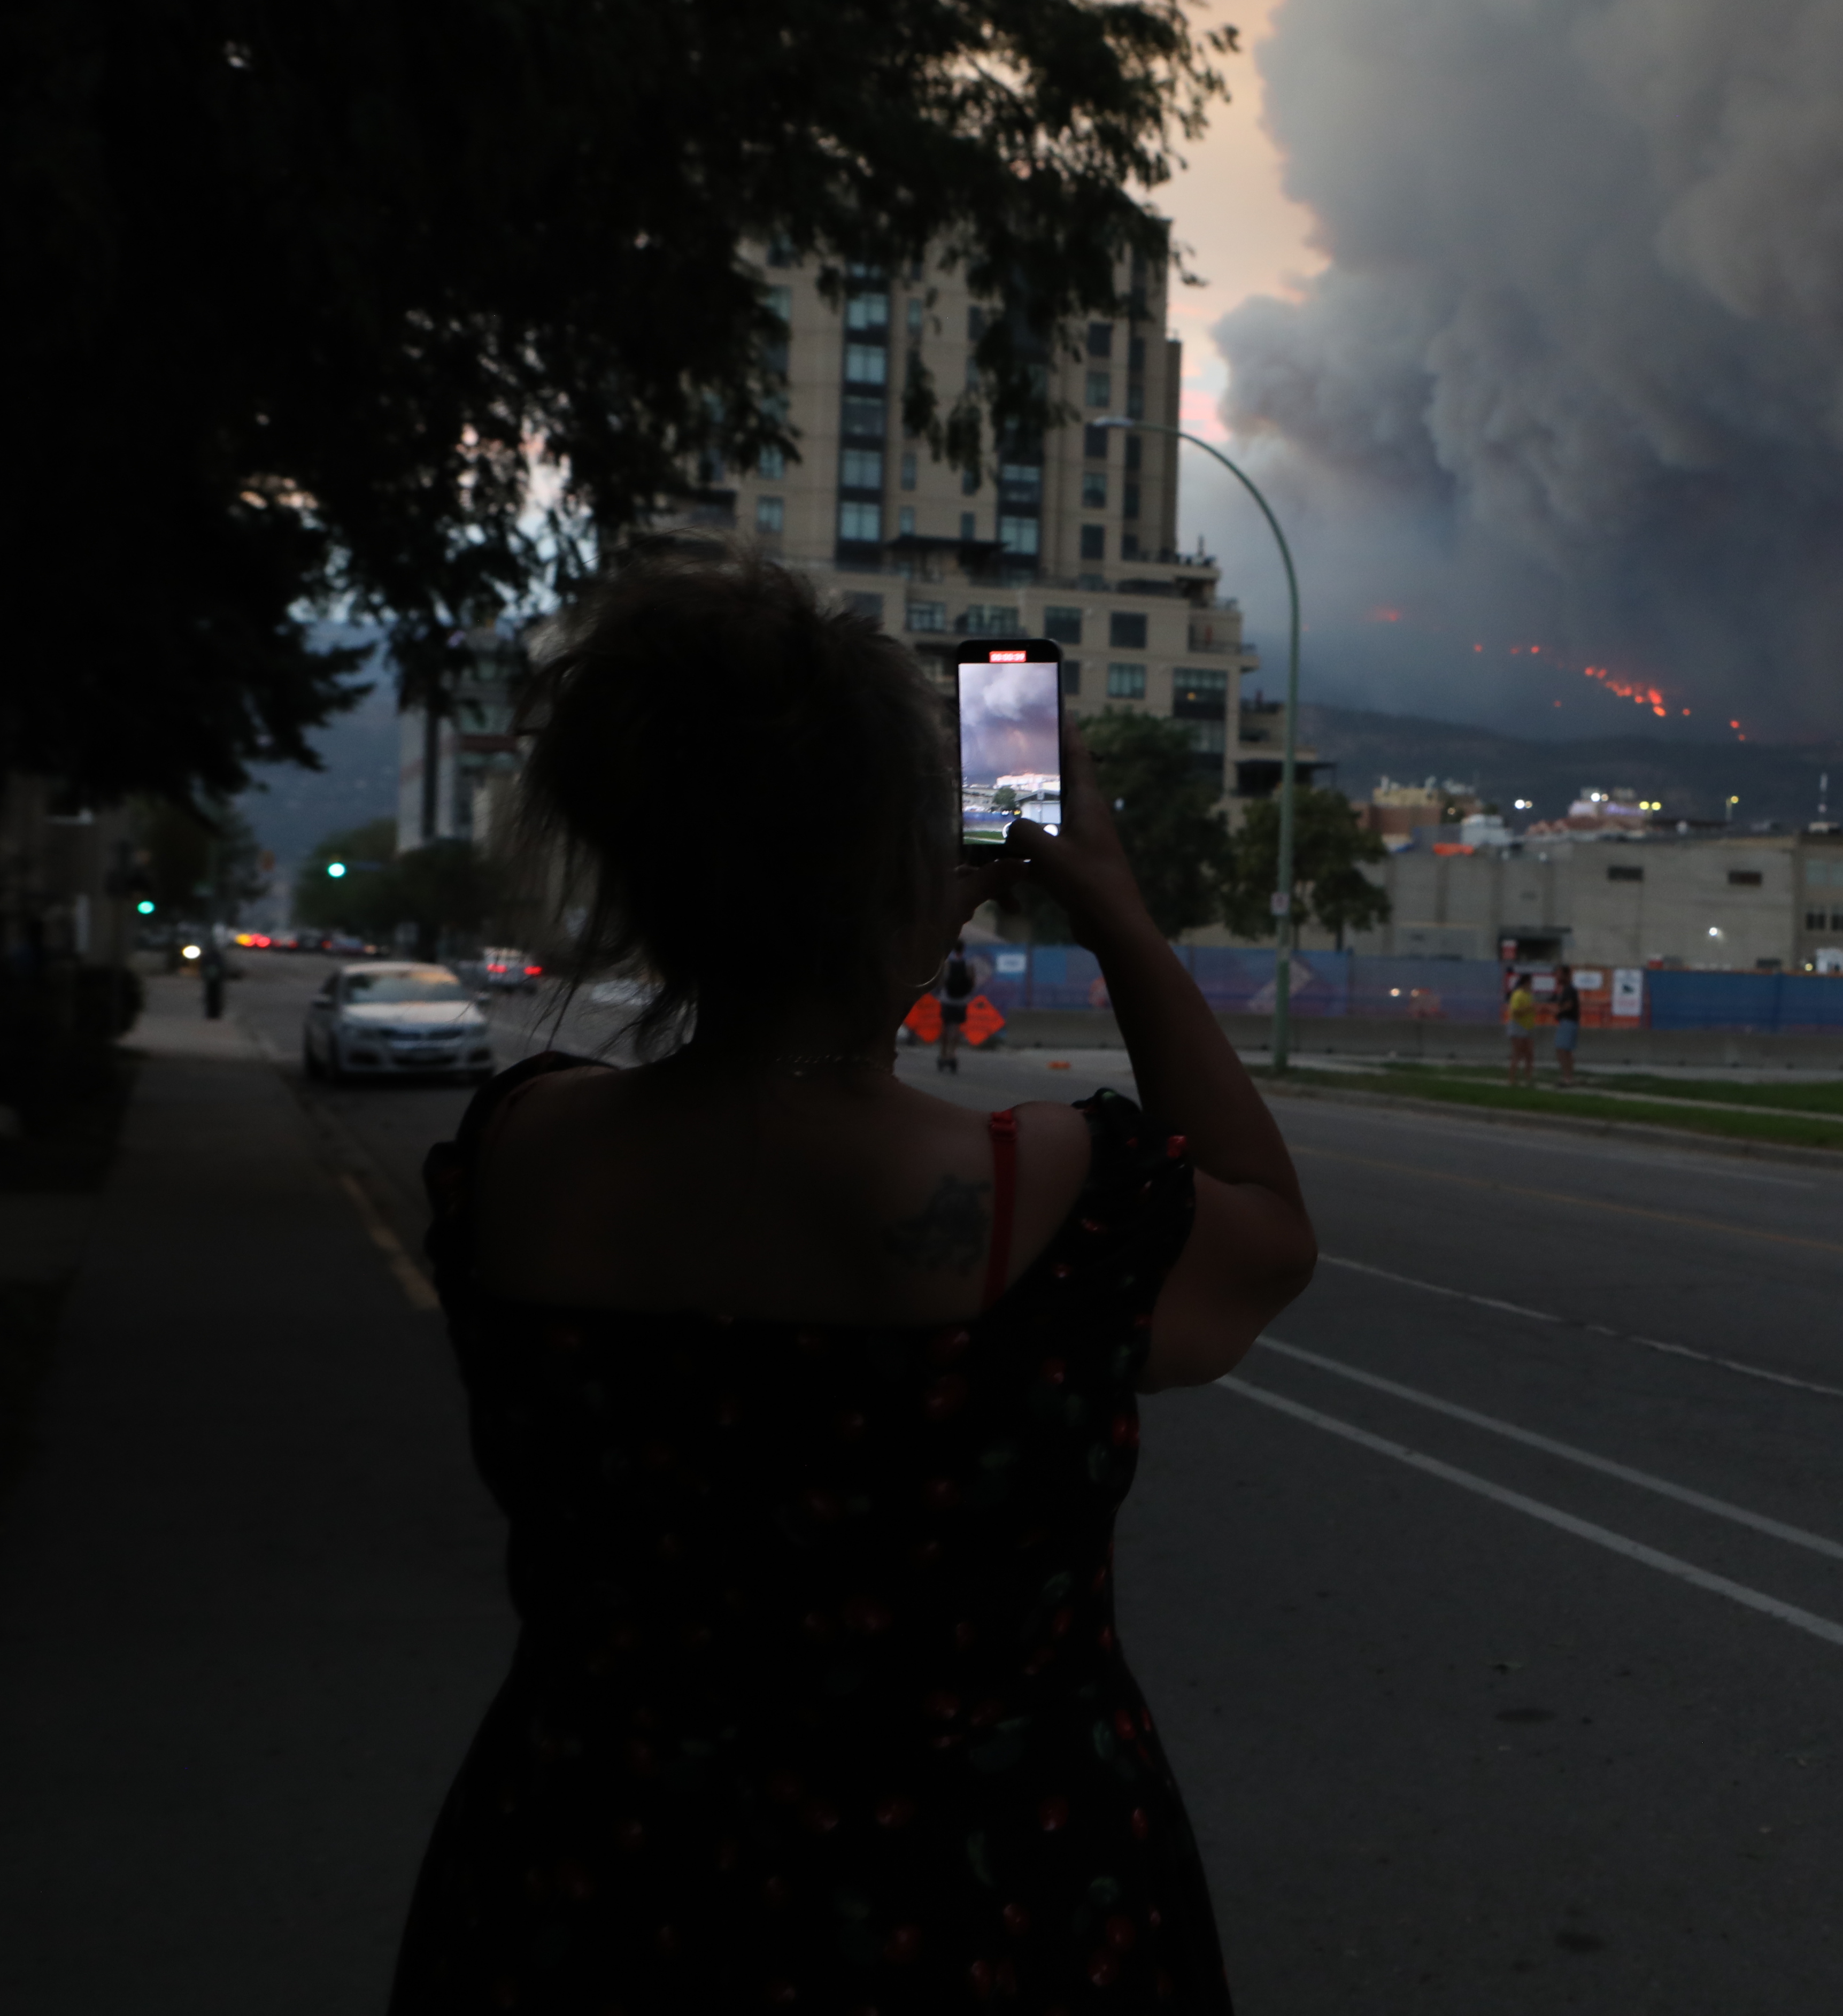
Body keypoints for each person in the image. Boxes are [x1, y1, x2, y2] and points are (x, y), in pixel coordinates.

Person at [392, 542, 1315, 2013]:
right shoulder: (1038, 1192)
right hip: (986, 1904)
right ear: (900, 868)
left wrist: (854, 930)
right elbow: (1265, 1230)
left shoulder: (518, 1157)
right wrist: (1114, 908)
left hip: (590, 1887)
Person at [935, 939, 978, 1072]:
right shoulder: (969, 963)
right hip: (961, 1001)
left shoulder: (947, 963)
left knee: (945, 1026)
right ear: (964, 949)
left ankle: (942, 1054)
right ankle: (952, 1054)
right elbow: (972, 982)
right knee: (956, 1027)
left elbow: (941, 982)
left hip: (947, 999)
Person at [1547, 962, 1583, 1088]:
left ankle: (1567, 1078)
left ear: (1566, 975)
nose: (1557, 976)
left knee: (1562, 1050)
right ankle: (1568, 1077)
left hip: (1568, 1022)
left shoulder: (1569, 989)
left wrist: (1557, 1011)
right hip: (1568, 1022)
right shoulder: (1568, 989)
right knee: (1565, 1051)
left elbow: (1569, 1005)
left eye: (1559, 974)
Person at [1502, 972, 1539, 1087]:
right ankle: (1511, 1078)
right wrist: (1529, 1008)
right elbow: (1515, 1012)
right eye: (1531, 983)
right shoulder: (1518, 995)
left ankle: (1528, 1078)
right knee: (1517, 1053)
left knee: (1529, 1054)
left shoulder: (1529, 995)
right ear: (1527, 982)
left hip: (1529, 1026)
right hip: (1518, 1026)